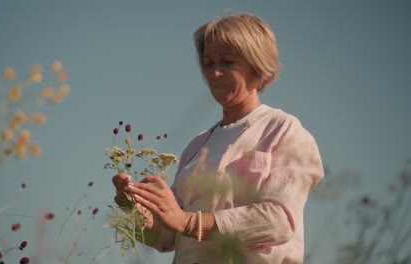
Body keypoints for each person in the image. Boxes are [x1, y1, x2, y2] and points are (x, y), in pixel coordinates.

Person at [112, 12, 324, 264]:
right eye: (208, 63)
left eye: (227, 62)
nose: (215, 73)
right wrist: (140, 209)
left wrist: (189, 222)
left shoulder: (284, 130)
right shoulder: (197, 146)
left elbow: (278, 220)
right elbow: (167, 238)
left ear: (257, 66)